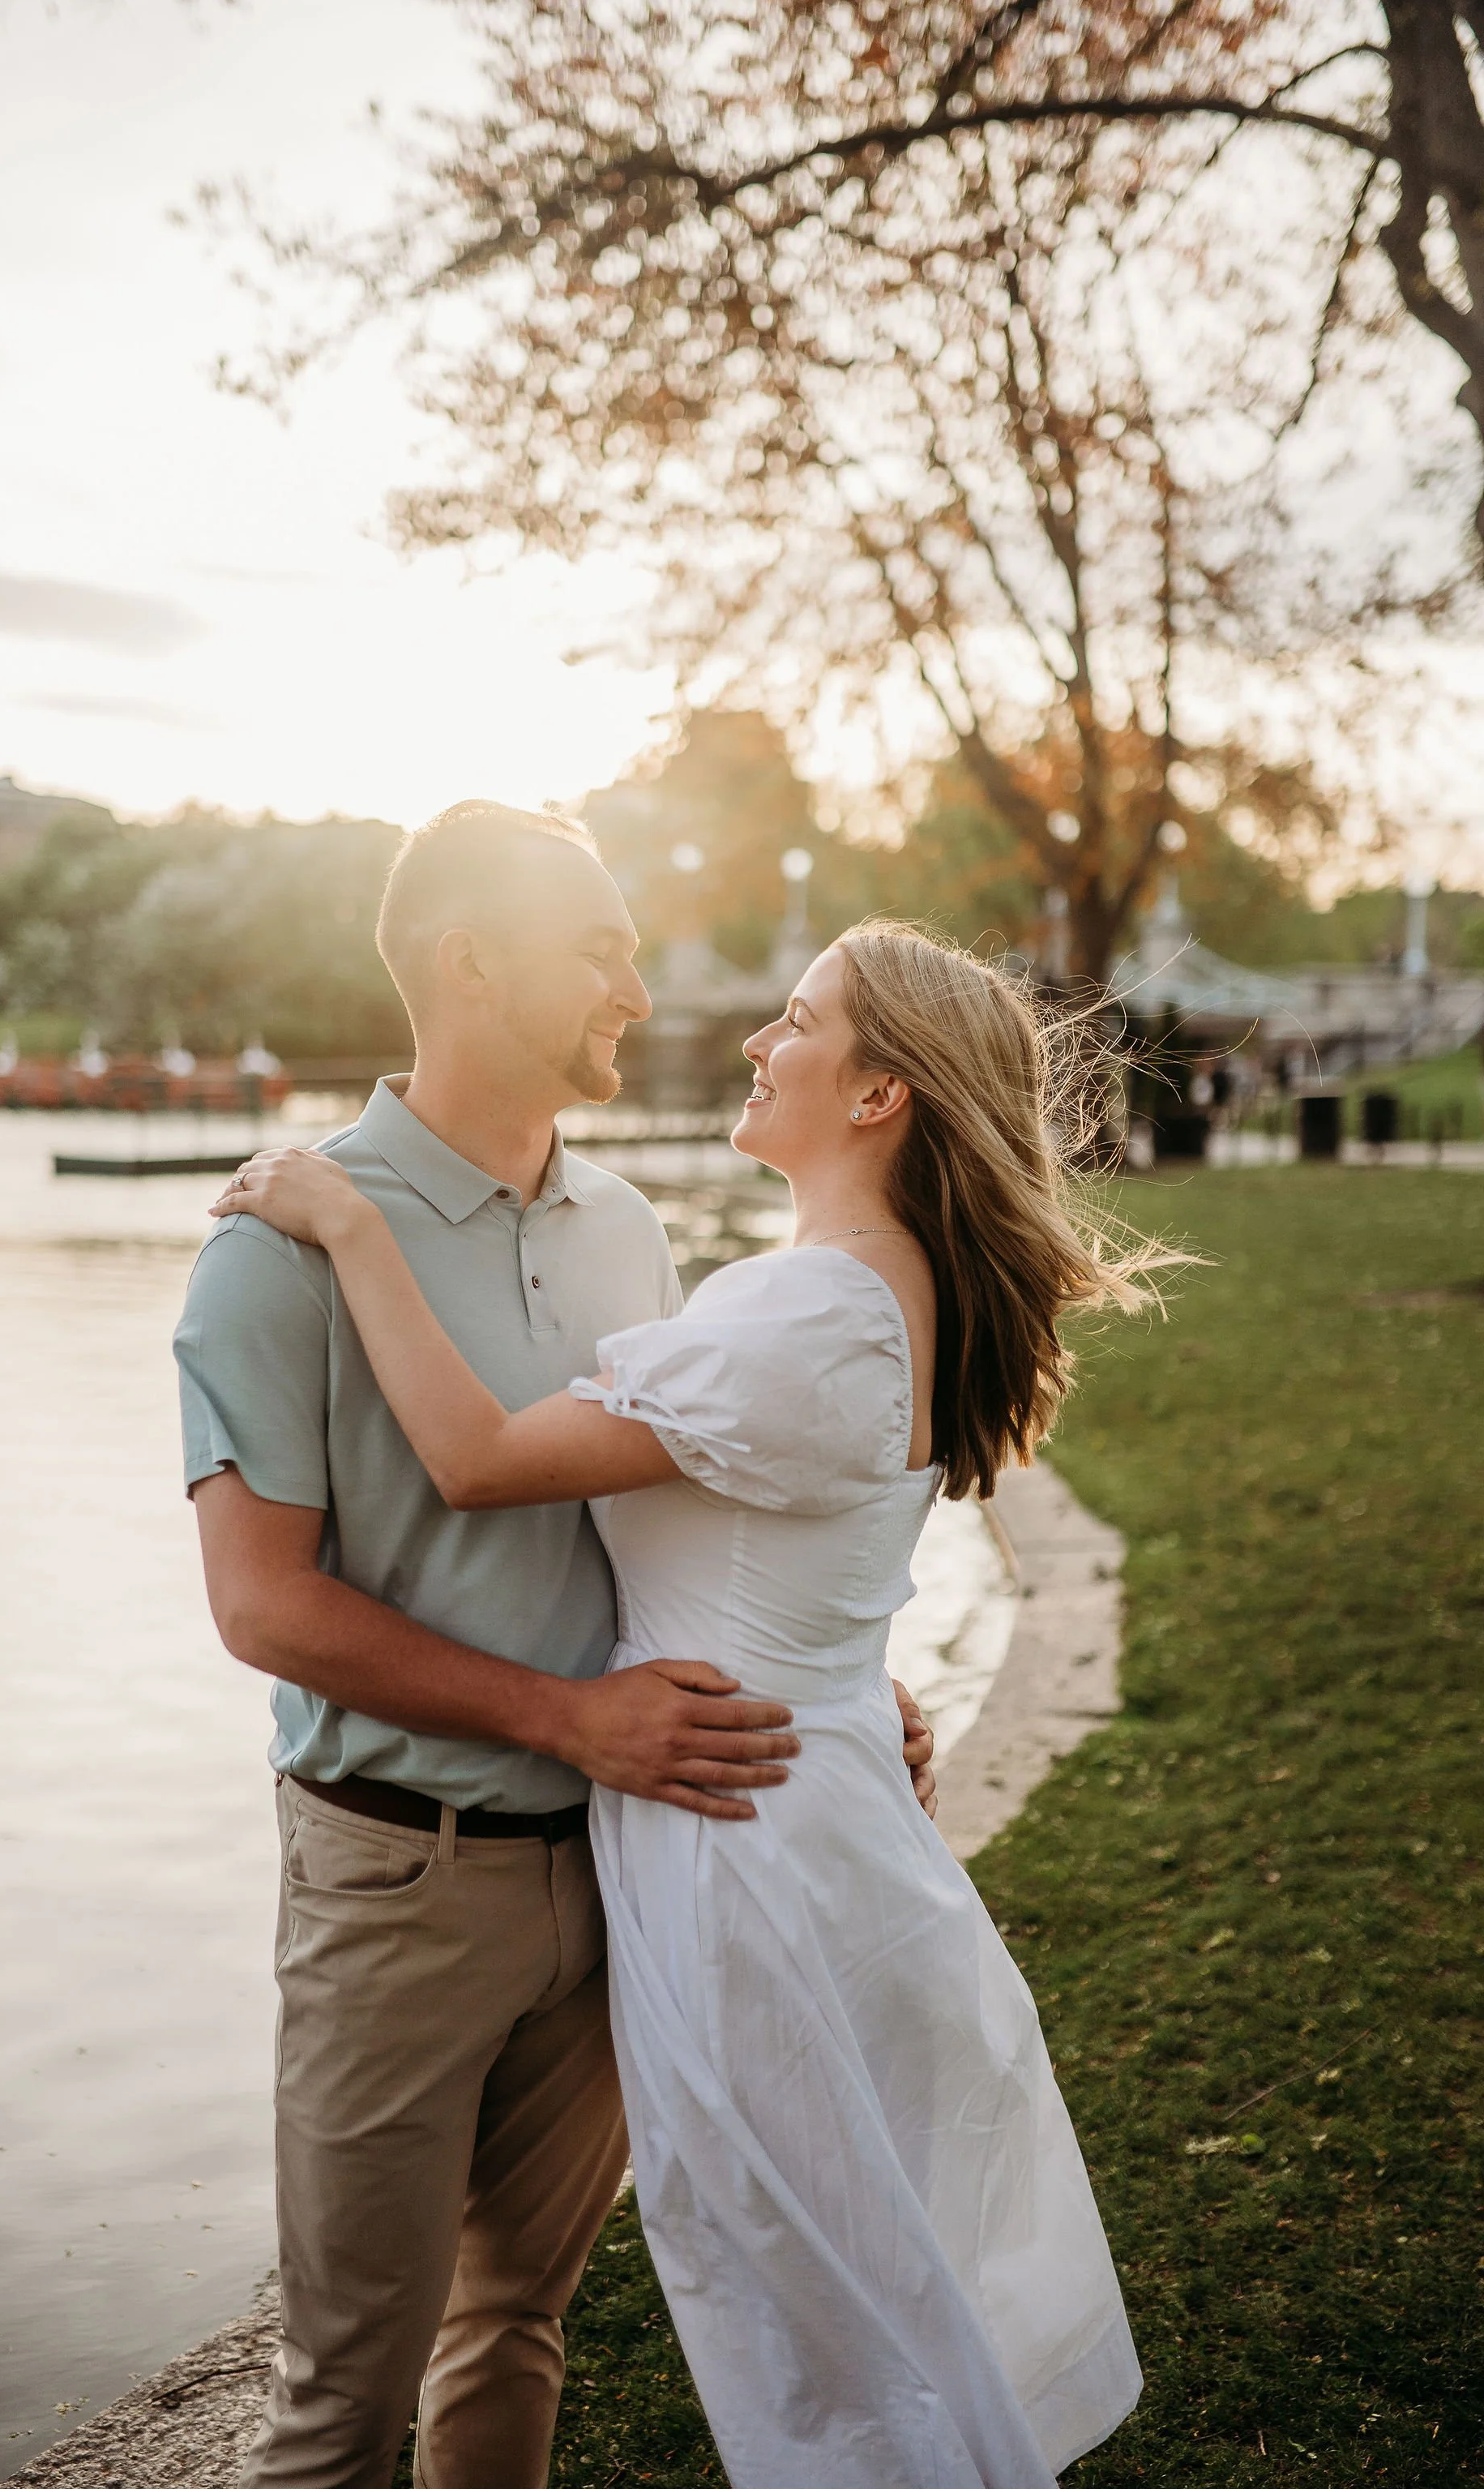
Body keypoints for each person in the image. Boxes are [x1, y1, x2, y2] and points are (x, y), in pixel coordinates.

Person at [215, 916, 1168, 2489]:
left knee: (811, 2303)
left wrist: (353, 1229)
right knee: (843, 2276)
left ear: (879, 1099)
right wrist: (859, 1680)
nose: (752, 1041)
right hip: (795, 1790)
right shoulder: (855, 1286)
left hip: (743, 1846)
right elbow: (791, 1542)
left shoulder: (806, 1310)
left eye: (796, 1022)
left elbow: (477, 1465)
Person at [175, 802, 936, 2489]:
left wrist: (831, 1686)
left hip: (618, 1864)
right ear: (468, 961)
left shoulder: (629, 1232)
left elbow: (660, 1510)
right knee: (340, 2396)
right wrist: (563, 1717)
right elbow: (260, 1607)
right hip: (399, 1880)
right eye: (596, 944)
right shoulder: (277, 1239)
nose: (634, 980)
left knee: (516, 2326)